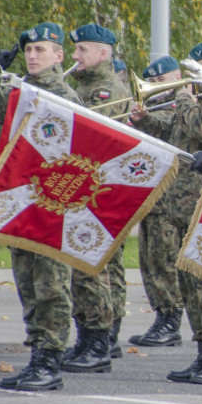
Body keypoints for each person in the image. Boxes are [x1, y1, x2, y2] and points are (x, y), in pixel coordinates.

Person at [0, 22, 81, 391]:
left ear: (59, 55)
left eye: (41, 50)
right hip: (22, 201)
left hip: (52, 207)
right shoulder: (19, 93)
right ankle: (38, 354)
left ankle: (51, 360)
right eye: (29, 50)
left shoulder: (66, 95)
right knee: (28, 283)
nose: (33, 56)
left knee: (51, 286)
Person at [134, 50, 202, 386]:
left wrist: (181, 97)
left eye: (196, 70)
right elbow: (175, 138)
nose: (188, 76)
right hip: (182, 207)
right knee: (191, 289)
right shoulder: (199, 98)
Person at [63, 23, 131, 372]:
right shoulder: (87, 87)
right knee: (82, 271)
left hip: (100, 194)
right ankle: (87, 338)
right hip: (83, 192)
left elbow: (88, 134)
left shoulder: (107, 90)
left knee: (95, 271)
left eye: (82, 50)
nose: (75, 57)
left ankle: (100, 343)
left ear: (103, 53)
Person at [127, 55, 185, 348]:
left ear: (176, 78)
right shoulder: (151, 106)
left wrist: (144, 119)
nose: (156, 87)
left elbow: (168, 127)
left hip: (169, 197)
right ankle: (161, 315)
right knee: (148, 260)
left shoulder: (181, 103)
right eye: (153, 83)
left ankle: (171, 320)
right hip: (149, 195)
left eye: (161, 81)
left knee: (164, 260)